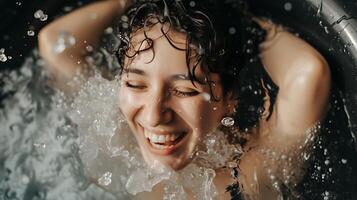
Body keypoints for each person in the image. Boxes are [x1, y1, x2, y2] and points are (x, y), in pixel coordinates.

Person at [38, 0, 331, 199]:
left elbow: (308, 73)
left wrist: (242, 22)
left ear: (230, 99)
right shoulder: (110, 132)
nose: (153, 116)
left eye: (185, 91)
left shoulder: (248, 177)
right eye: (135, 83)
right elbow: (56, 44)